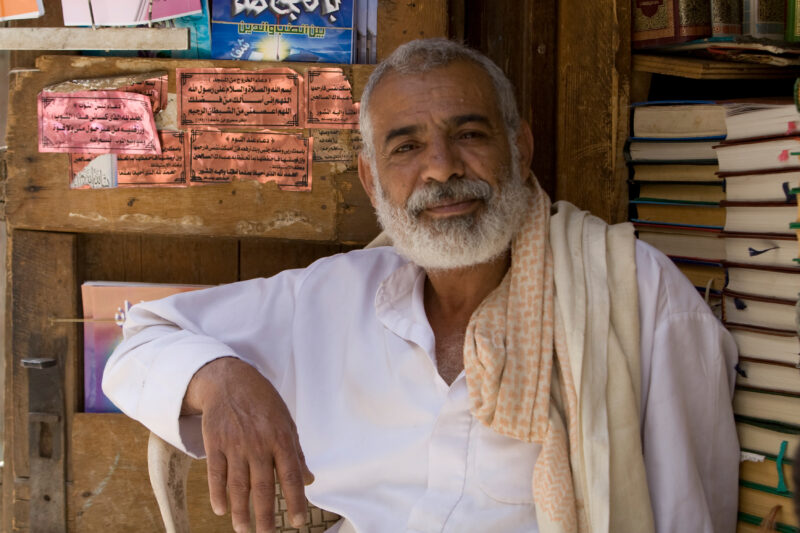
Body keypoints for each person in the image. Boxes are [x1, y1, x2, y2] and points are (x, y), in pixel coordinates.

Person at [103, 38, 739, 533]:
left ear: (520, 148)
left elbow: (688, 508)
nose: (442, 167)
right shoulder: (330, 298)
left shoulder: (631, 292)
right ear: (372, 180)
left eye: (469, 134)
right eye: (406, 147)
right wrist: (222, 381)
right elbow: (138, 342)